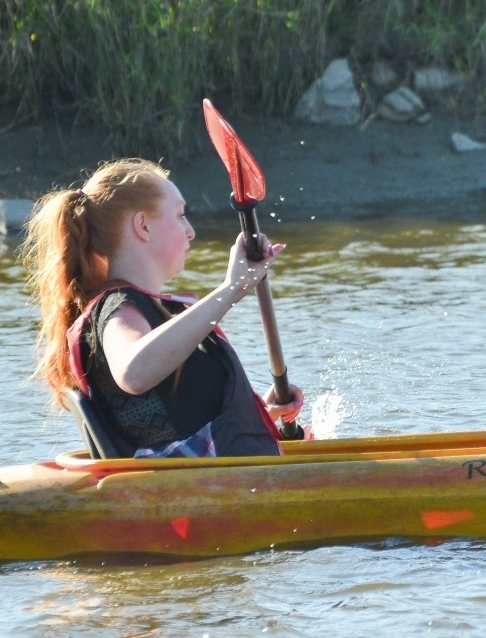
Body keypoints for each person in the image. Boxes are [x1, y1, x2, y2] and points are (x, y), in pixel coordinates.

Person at [20, 158, 302, 457]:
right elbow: (134, 372)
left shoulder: (143, 311)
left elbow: (171, 421)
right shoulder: (117, 308)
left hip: (217, 479)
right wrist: (230, 289)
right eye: (180, 215)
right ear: (142, 226)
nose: (190, 231)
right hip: (199, 488)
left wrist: (257, 412)